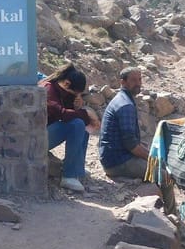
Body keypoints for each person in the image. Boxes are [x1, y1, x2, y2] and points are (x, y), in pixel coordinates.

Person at [40, 63, 100, 192]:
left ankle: (77, 168)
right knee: (77, 123)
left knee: (82, 125)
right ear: (67, 83)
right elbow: (62, 113)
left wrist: (78, 107)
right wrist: (86, 113)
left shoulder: (64, 91)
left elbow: (71, 113)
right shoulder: (48, 89)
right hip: (38, 137)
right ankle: (69, 176)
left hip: (48, 132)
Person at [98, 67, 149, 179]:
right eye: (133, 80)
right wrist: (153, 159)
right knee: (165, 176)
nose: (138, 83)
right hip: (118, 162)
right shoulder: (125, 105)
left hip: (114, 156)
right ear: (123, 82)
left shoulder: (123, 99)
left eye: (140, 79)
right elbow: (131, 145)